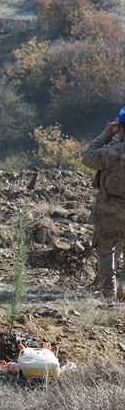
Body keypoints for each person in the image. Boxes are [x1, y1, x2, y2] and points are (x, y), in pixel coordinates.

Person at [81, 108, 125, 299]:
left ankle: (109, 286)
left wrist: (106, 134)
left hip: (108, 207)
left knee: (105, 247)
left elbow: (88, 157)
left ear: (120, 128)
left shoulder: (111, 151)